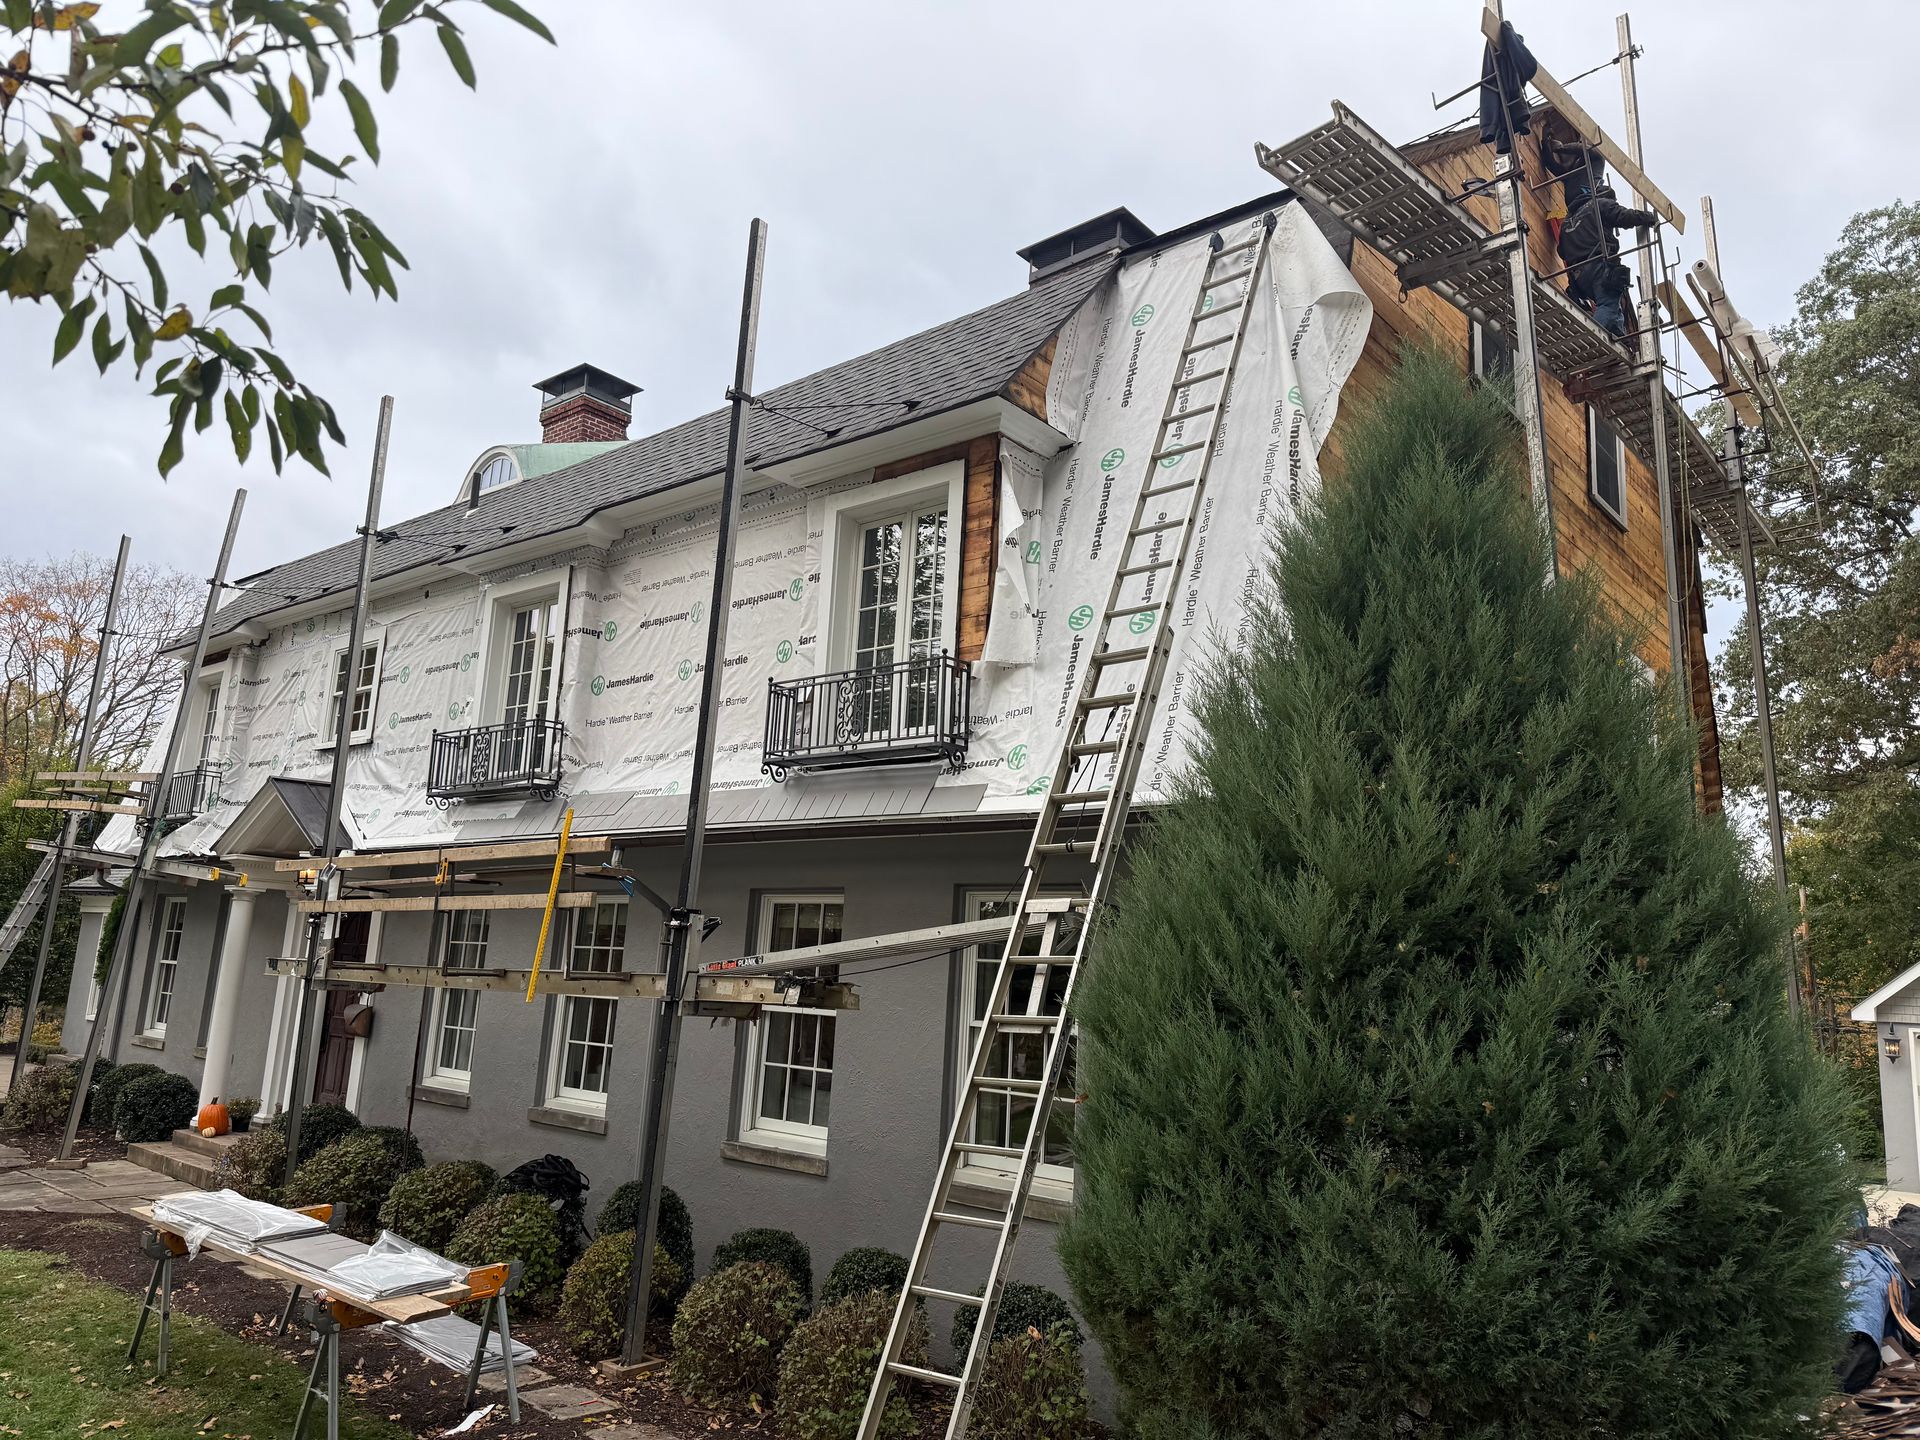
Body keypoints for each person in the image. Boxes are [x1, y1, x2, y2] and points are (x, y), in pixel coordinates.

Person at [1556, 182, 1657, 339]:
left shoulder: (1567, 222)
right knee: (1608, 306)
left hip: (1579, 278)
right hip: (1598, 267)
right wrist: (1648, 217)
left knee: (1613, 305)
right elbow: (1623, 216)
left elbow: (1561, 251)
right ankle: (1591, 340)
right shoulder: (1601, 203)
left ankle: (1621, 339)